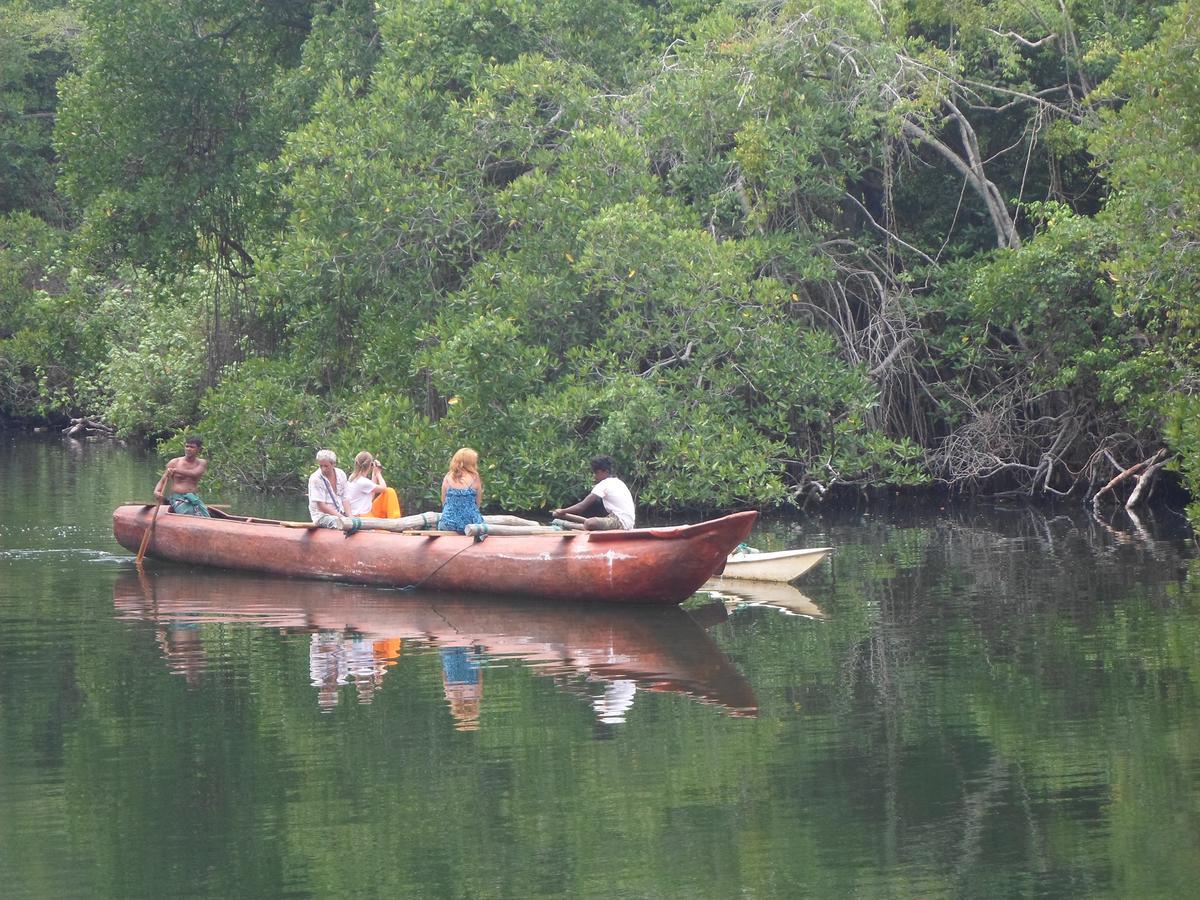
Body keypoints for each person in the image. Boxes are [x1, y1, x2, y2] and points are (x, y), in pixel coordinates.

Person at [552, 455, 635, 531]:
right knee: (589, 521)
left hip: (620, 521)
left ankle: (565, 524)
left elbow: (581, 506)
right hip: (626, 522)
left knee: (590, 523)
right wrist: (563, 513)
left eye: (596, 473)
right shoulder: (618, 481)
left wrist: (562, 511)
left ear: (605, 471)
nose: (594, 476)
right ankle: (563, 522)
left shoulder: (604, 484)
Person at [154, 435, 211, 517]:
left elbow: (194, 473)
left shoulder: (202, 463)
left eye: (192, 447)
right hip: (177, 497)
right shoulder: (174, 462)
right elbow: (163, 480)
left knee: (206, 517)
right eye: (186, 446)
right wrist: (157, 491)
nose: (188, 449)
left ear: (199, 449)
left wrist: (175, 470)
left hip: (193, 497)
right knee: (189, 515)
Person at [438, 447, 486, 533]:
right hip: (470, 523)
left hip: (448, 523)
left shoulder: (447, 476)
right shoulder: (475, 477)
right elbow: (478, 503)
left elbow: (444, 502)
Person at [344, 451, 403, 518]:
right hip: (363, 515)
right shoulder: (362, 482)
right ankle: (395, 520)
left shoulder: (353, 478)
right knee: (390, 491)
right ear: (369, 465)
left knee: (388, 491)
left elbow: (371, 495)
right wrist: (378, 473)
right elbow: (384, 488)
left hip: (364, 512)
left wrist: (374, 474)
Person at [307, 449, 349, 529]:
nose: (323, 469)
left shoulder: (341, 474)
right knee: (338, 522)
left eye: (326, 466)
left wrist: (350, 516)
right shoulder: (316, 478)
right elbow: (321, 506)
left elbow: (345, 498)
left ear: (333, 464)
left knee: (355, 520)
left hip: (340, 513)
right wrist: (342, 518)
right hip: (322, 516)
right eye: (321, 466)